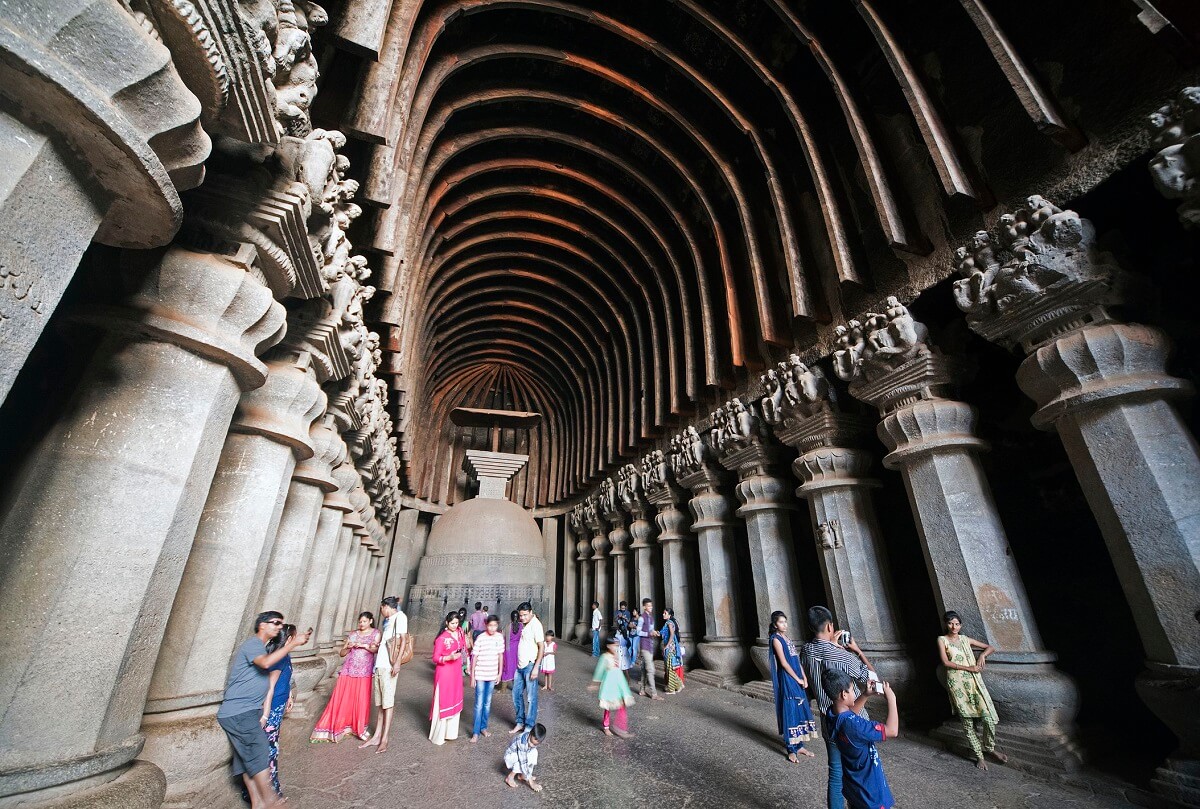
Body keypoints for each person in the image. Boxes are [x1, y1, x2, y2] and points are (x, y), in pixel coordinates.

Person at [218, 611, 311, 809]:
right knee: (260, 752)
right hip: (240, 711)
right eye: (275, 623)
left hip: (247, 710)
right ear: (262, 625)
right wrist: (293, 644)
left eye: (281, 624)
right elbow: (266, 665)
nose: (279, 627)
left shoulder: (262, 649)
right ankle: (270, 800)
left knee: (246, 760)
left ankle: (258, 803)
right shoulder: (253, 645)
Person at [801, 606, 875, 809]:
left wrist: (832, 646)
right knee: (861, 773)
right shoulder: (844, 657)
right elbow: (873, 678)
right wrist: (857, 651)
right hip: (854, 723)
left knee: (835, 773)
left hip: (829, 720)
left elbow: (819, 657)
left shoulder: (806, 651)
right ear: (830, 626)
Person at [938, 610, 1008, 769]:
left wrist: (982, 656)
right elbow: (945, 662)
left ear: (960, 625)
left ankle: (990, 748)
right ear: (946, 624)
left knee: (988, 719)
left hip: (974, 682)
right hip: (957, 683)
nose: (953, 626)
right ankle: (979, 756)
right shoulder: (942, 640)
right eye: (950, 623)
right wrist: (969, 668)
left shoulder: (965, 639)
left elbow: (990, 647)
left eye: (956, 624)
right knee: (967, 723)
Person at [822, 669, 899, 809]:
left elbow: (847, 715)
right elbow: (892, 730)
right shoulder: (856, 726)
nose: (854, 693)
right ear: (844, 694)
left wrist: (865, 695)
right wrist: (892, 700)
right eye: (852, 690)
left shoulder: (831, 714)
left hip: (854, 786)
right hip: (870, 791)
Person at [310, 612, 380, 743]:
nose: (361, 624)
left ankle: (359, 727)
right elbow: (342, 653)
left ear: (370, 621)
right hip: (348, 670)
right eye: (360, 622)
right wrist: (348, 647)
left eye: (364, 621)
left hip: (364, 671)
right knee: (344, 698)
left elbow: (375, 650)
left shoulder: (376, 633)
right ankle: (342, 726)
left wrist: (365, 646)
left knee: (361, 698)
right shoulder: (353, 634)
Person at [360, 596, 408, 753]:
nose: (381, 611)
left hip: (389, 666)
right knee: (381, 703)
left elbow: (403, 639)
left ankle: (385, 738)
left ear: (387, 606)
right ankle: (376, 736)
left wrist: (397, 662)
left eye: (382, 608)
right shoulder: (389, 620)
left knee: (388, 703)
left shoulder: (400, 617)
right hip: (380, 665)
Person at [768, 610, 817, 762]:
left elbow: (796, 659)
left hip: (797, 676)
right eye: (781, 622)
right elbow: (783, 663)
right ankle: (791, 749)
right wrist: (797, 678)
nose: (785, 624)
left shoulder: (787, 638)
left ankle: (800, 745)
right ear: (775, 624)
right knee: (790, 709)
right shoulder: (775, 639)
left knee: (800, 707)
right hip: (788, 678)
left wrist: (804, 677)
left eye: (785, 621)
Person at [260, 624, 296, 798]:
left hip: (279, 706)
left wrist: (289, 695)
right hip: (272, 709)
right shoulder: (278, 658)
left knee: (272, 748)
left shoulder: (285, 656)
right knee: (269, 750)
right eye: (294, 638)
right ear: (288, 640)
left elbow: (284, 679)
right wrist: (266, 715)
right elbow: (269, 687)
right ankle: (271, 794)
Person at [430, 611, 467, 745]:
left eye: (457, 623)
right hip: (445, 671)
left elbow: (463, 648)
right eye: (452, 623)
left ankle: (450, 733)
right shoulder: (441, 638)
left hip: (456, 671)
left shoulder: (460, 632)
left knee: (454, 698)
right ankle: (438, 735)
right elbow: (435, 657)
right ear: (447, 622)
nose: (455, 625)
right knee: (443, 699)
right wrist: (448, 657)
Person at [510, 601, 545, 734]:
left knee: (531, 697)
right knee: (516, 694)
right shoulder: (524, 624)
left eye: (525, 615)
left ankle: (529, 725)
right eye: (521, 615)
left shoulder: (536, 625)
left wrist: (536, 667)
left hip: (530, 665)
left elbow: (541, 647)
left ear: (531, 612)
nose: (522, 617)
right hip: (520, 666)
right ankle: (520, 722)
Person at [469, 613, 505, 741]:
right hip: (480, 674)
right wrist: (472, 676)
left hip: (492, 674)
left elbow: (501, 656)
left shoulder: (500, 637)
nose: (492, 628)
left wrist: (500, 673)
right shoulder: (480, 638)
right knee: (479, 704)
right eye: (490, 625)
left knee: (487, 703)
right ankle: (475, 732)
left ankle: (483, 727)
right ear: (486, 625)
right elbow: (475, 657)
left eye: (495, 625)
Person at [590, 637, 635, 737]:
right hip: (609, 684)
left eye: (616, 645)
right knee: (608, 706)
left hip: (618, 683)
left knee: (622, 704)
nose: (615, 647)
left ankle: (620, 727)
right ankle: (606, 727)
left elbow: (618, 669)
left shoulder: (616, 655)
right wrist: (595, 683)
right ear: (608, 646)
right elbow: (599, 671)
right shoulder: (604, 657)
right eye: (614, 645)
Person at [504, 722, 547, 792]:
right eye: (532, 742)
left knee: (534, 752)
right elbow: (523, 762)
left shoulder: (534, 739)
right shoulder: (522, 741)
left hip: (522, 755)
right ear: (530, 734)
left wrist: (528, 774)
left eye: (536, 743)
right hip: (510, 757)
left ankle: (522, 776)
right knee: (521, 760)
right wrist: (532, 783)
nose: (533, 745)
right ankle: (510, 777)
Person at [636, 598, 662, 700]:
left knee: (644, 669)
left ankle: (642, 690)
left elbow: (651, 630)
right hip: (645, 646)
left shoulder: (651, 618)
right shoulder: (642, 618)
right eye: (648, 606)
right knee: (651, 669)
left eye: (651, 606)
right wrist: (649, 633)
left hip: (650, 645)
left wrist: (655, 632)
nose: (650, 607)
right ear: (644, 607)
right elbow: (638, 632)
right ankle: (654, 693)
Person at [660, 607, 685, 693]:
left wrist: (666, 646)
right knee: (669, 668)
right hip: (671, 647)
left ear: (669, 615)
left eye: (665, 613)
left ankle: (672, 689)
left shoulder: (670, 622)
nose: (663, 614)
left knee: (670, 668)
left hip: (670, 648)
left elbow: (672, 634)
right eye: (663, 613)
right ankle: (678, 685)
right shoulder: (668, 622)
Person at [500, 610, 522, 691]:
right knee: (516, 667)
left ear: (511, 617)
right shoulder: (522, 626)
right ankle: (517, 687)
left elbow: (502, 636)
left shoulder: (507, 626)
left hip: (508, 650)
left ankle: (503, 689)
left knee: (506, 667)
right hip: (518, 649)